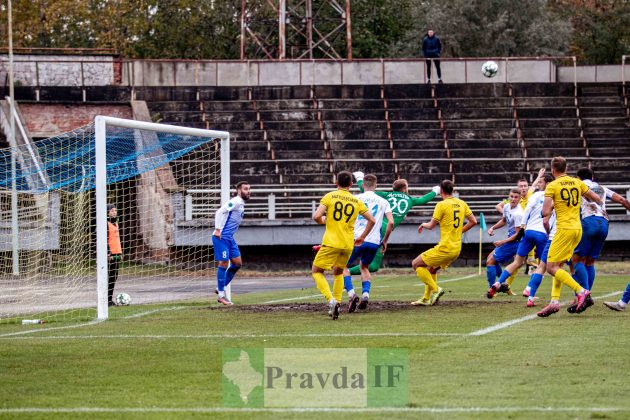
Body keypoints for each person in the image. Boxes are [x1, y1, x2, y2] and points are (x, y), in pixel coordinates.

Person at [536, 157, 602, 317]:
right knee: (558, 265)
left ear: (553, 170)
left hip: (564, 229)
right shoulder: (577, 182)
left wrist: (553, 205)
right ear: (566, 168)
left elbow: (545, 212)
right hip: (578, 228)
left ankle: (581, 291)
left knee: (551, 267)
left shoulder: (553, 185)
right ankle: (554, 301)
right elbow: (597, 199)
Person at [347, 172, 439, 275]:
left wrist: (359, 178)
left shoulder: (387, 195)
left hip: (370, 226)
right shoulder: (409, 199)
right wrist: (435, 191)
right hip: (383, 230)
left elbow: (366, 189)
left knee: (359, 256)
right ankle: (345, 272)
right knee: (373, 266)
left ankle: (343, 270)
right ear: (404, 189)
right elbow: (423, 200)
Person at [312, 171, 375, 320]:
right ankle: (338, 303)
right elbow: (371, 220)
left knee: (316, 271)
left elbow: (316, 217)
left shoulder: (329, 196)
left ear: (336, 183)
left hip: (331, 242)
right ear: (351, 184)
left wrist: (325, 220)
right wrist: (362, 237)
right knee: (338, 272)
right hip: (348, 244)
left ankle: (331, 300)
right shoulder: (356, 200)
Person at [412, 179, 477, 306]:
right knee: (432, 269)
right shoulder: (462, 203)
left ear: (441, 191)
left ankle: (436, 289)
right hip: (457, 248)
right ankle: (426, 298)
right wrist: (459, 232)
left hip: (446, 247)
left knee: (416, 264)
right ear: (452, 190)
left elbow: (431, 226)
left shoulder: (441, 205)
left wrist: (422, 224)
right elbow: (473, 221)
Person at [492, 173, 555, 298]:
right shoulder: (552, 196)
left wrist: (522, 226)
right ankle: (530, 291)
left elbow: (527, 209)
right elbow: (546, 219)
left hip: (526, 232)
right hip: (541, 233)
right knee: (544, 266)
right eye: (521, 186)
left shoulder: (534, 195)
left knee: (518, 262)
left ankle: (499, 283)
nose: (538, 185)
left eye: (540, 183)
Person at [569, 168, 630, 295]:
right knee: (590, 261)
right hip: (603, 223)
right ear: (592, 177)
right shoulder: (602, 188)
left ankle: (583, 294)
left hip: (588, 222)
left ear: (578, 178)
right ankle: (587, 293)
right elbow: (622, 200)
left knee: (577, 260)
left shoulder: (578, 186)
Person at [342, 174, 394, 312]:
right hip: (374, 241)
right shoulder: (383, 201)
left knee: (342, 266)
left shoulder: (355, 199)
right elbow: (391, 222)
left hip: (357, 239)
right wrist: (385, 240)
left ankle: (352, 294)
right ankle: (365, 295)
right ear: (375, 186)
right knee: (364, 267)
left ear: (363, 185)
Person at [212, 181, 251, 306]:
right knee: (224, 262)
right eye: (245, 189)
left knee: (237, 263)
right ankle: (221, 295)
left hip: (230, 238)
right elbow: (219, 212)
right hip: (221, 236)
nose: (248, 191)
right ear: (239, 190)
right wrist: (218, 229)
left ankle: (220, 287)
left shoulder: (241, 204)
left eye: (249, 189)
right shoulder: (235, 201)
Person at [486, 189, 523, 298]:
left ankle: (492, 289)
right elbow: (503, 220)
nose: (513, 199)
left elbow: (517, 235)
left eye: (516, 197)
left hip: (515, 242)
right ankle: (503, 286)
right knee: (492, 259)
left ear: (520, 199)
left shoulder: (518, 214)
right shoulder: (506, 207)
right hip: (510, 239)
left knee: (490, 261)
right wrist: (493, 228)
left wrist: (502, 241)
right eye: (511, 196)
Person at [107, 204, 123, 307]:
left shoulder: (116, 223)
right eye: (112, 211)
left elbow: (117, 239)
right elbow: (105, 240)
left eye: (115, 211)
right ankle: (106, 300)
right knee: (109, 277)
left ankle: (109, 300)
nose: (114, 212)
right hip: (110, 255)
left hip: (117, 254)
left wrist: (120, 253)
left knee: (114, 277)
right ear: (107, 212)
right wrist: (108, 253)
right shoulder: (105, 224)